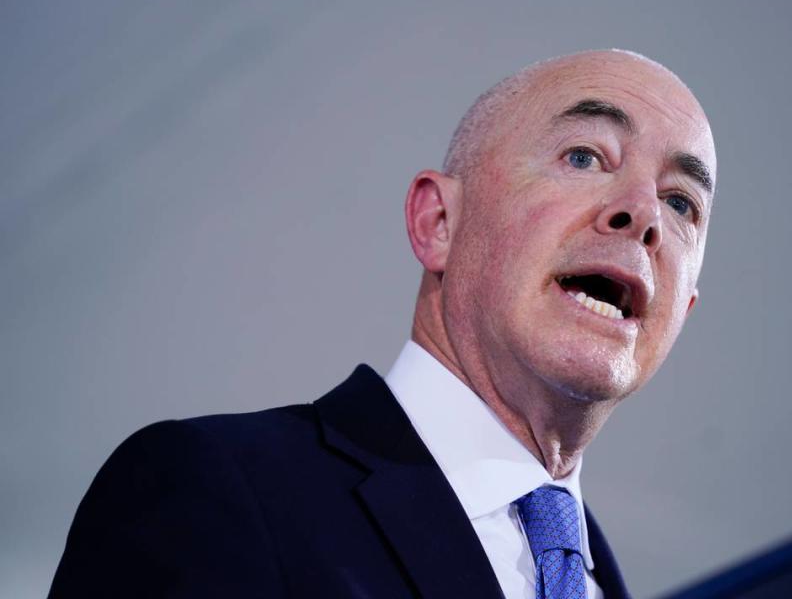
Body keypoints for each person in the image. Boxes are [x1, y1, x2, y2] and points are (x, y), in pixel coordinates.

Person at [50, 49, 716, 598]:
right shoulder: (214, 491)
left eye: (681, 202)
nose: (644, 214)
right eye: (585, 157)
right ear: (438, 223)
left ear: (681, 312)